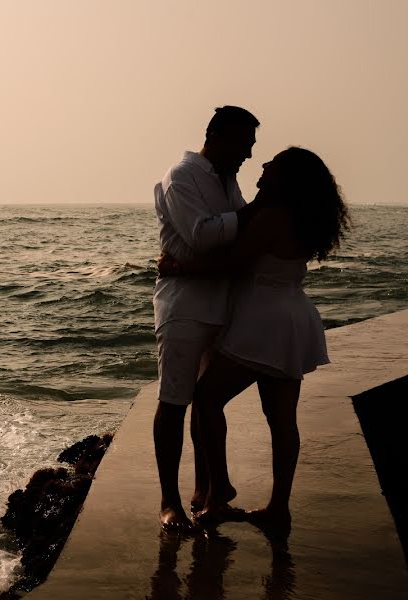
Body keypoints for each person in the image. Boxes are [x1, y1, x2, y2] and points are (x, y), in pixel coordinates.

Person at [159, 147, 351, 535]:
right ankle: (278, 508)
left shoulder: (271, 218)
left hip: (264, 321)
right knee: (282, 420)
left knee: (207, 398)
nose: (262, 165)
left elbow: (231, 263)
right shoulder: (302, 217)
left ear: (286, 178)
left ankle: (220, 488)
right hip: (294, 317)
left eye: (273, 165)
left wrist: (178, 267)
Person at [153, 106, 263, 530]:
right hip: (184, 308)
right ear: (217, 136)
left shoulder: (225, 178)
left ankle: (207, 494)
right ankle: (169, 501)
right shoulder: (181, 176)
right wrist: (253, 214)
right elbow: (201, 234)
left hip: (221, 304)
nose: (248, 156)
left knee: (207, 403)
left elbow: (237, 236)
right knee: (174, 400)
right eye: (244, 145)